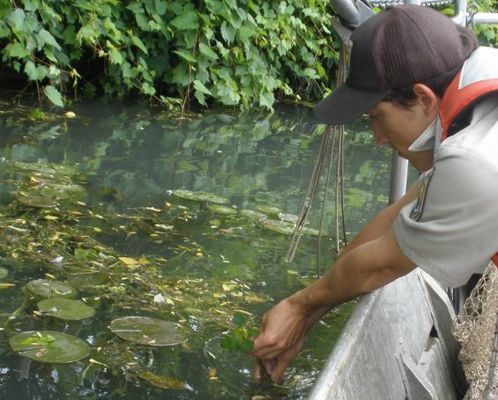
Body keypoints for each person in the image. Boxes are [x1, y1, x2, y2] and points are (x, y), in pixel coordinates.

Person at [251, 4, 498, 383]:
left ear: (423, 99)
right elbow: (396, 218)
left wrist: (300, 307)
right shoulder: (479, 86)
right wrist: (307, 316)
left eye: (377, 118)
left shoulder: (474, 162)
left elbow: (385, 262)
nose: (379, 139)